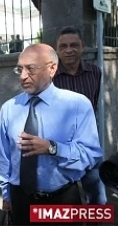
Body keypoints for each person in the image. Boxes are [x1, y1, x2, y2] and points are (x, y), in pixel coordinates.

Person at [0, 43, 103, 225]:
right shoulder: (9, 108)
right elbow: (3, 157)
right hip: (21, 199)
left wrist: (53, 148)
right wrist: (7, 195)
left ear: (52, 68)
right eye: (19, 69)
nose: (23, 76)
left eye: (30, 69)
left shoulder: (77, 105)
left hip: (63, 200)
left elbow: (91, 155)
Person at [54, 26, 106, 206]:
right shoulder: (50, 78)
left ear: (82, 46)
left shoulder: (95, 73)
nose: (69, 50)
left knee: (97, 196)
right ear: (57, 49)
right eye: (64, 46)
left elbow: (94, 102)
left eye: (74, 45)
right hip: (60, 146)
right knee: (66, 198)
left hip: (88, 144)